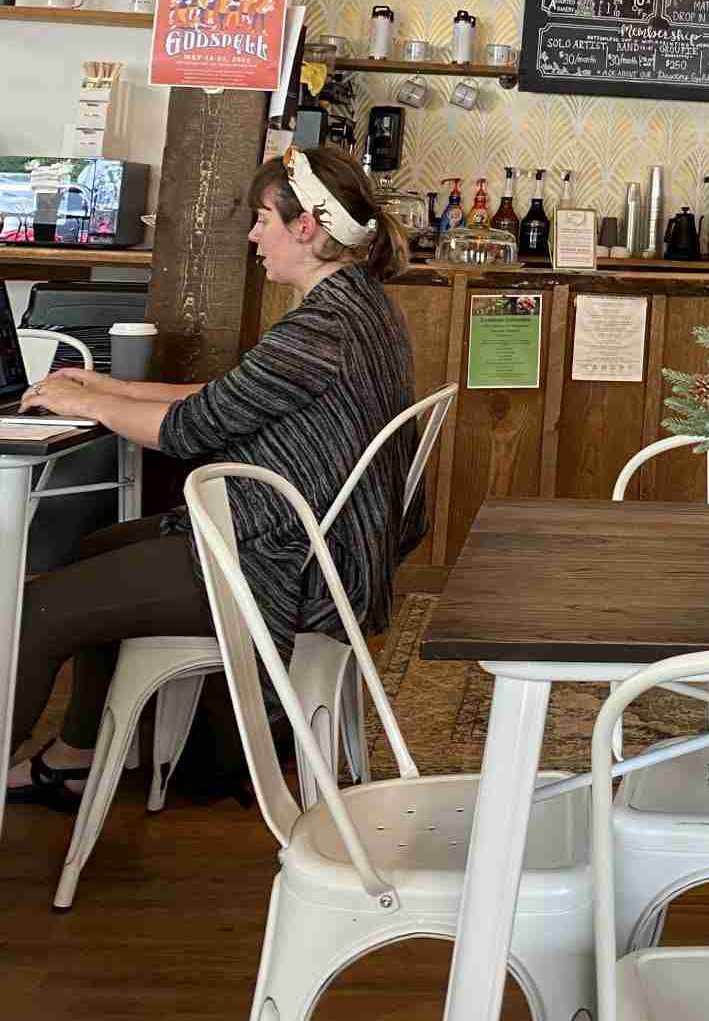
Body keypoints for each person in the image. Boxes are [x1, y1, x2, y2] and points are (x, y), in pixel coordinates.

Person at [7, 146, 426, 809]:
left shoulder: (322, 326)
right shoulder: (360, 307)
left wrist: (84, 403)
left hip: (292, 568)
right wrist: (107, 385)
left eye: (264, 218)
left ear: (306, 226)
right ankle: (79, 755)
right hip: (331, 548)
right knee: (93, 551)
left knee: (37, 609)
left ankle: (60, 755)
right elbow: (233, 396)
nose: (255, 234)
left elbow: (191, 430)